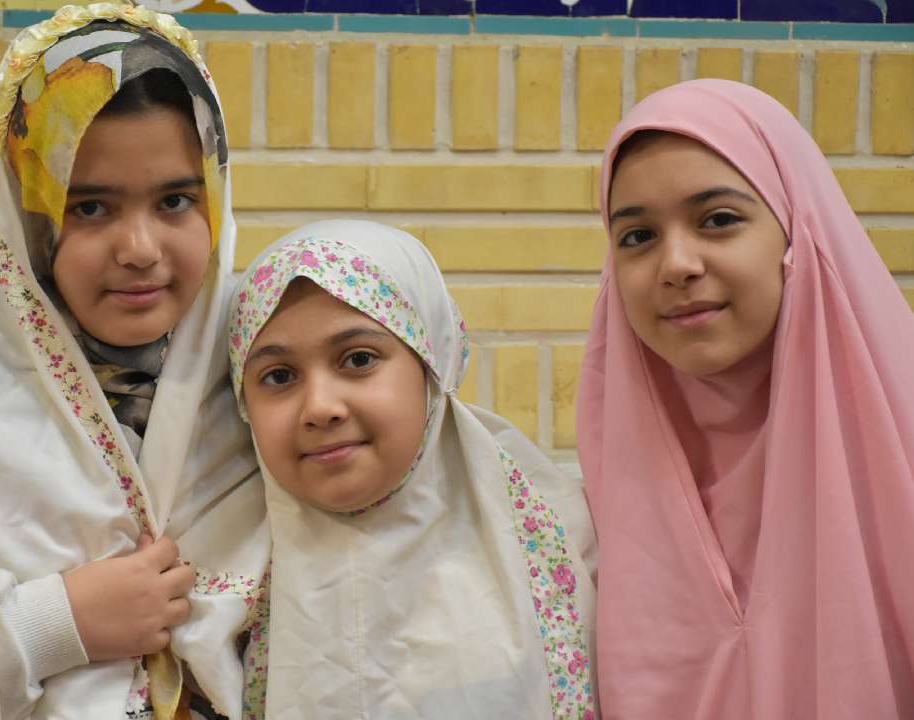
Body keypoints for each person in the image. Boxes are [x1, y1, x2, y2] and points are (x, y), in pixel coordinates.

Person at [0, 5, 256, 718]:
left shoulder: (267, 377)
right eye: (89, 208)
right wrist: (48, 627)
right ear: (24, 218)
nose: (140, 249)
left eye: (176, 200)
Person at [577, 78, 914, 717]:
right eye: (638, 236)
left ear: (797, 234)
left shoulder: (901, 451)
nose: (676, 264)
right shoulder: (577, 520)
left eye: (719, 220)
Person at [187, 220, 597, 719]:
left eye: (358, 359)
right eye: (278, 376)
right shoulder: (211, 584)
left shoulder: (559, 537)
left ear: (432, 364)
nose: (320, 407)